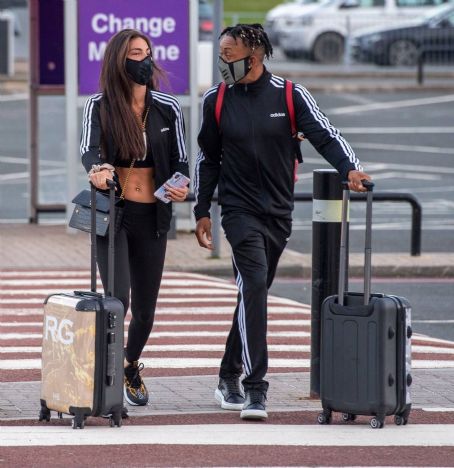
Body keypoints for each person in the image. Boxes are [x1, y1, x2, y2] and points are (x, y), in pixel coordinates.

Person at [193, 24, 372, 420]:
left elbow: (325, 135)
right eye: (221, 53)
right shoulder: (217, 99)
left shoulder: (290, 95)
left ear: (253, 57)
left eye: (229, 54)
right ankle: (255, 389)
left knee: (252, 295)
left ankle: (227, 373)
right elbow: (208, 158)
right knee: (254, 285)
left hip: (278, 212)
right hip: (239, 212)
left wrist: (351, 169)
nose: (223, 61)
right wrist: (202, 209)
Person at [80, 29, 189, 407]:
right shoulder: (100, 105)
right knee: (117, 301)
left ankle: (130, 364)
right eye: (134, 54)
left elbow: (181, 162)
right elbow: (89, 150)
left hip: (153, 216)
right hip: (116, 216)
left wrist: (181, 186)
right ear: (118, 60)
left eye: (147, 53)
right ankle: (107, 376)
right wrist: (97, 169)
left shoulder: (168, 108)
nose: (143, 60)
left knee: (145, 312)